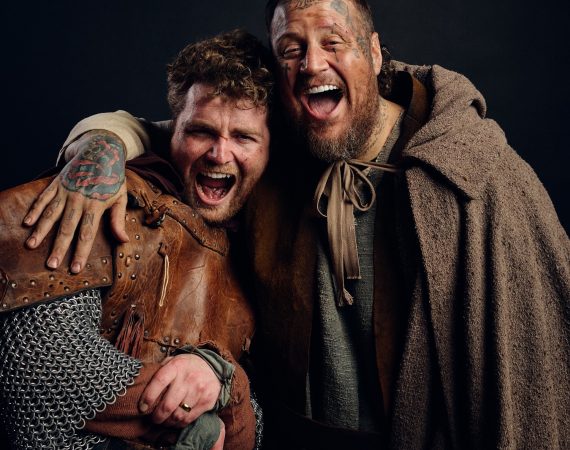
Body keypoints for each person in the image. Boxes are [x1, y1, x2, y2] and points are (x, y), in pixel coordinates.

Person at [21, 0, 570, 448]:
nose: (311, 64)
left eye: (333, 42)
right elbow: (175, 131)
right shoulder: (276, 143)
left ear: (375, 52)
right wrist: (101, 144)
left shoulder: (470, 172)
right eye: (291, 49)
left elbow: (533, 371)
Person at [0, 29, 274, 450]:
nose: (219, 154)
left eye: (243, 137)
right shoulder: (106, 199)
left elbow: (252, 416)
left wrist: (227, 381)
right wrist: (195, 425)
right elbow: (38, 370)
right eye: (200, 132)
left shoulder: (261, 238)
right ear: (172, 130)